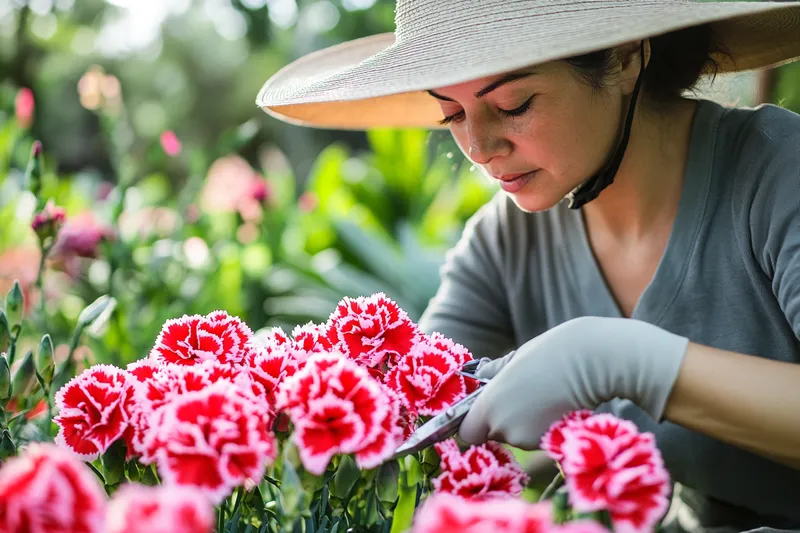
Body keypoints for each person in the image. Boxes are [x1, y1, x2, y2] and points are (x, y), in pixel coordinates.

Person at [256, 2, 800, 532]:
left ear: (627, 57)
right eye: (451, 113)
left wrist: (629, 362)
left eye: (513, 104)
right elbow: (426, 412)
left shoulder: (778, 174)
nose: (478, 146)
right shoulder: (506, 240)